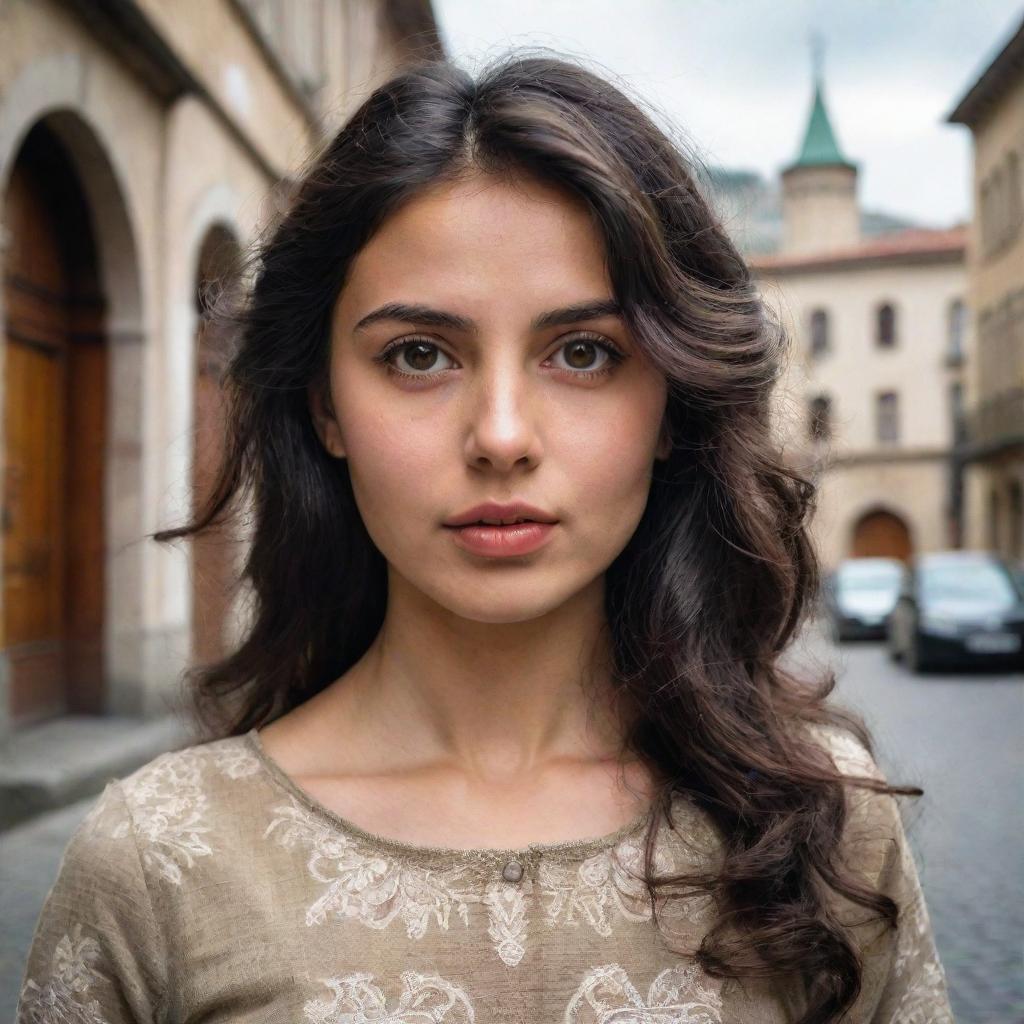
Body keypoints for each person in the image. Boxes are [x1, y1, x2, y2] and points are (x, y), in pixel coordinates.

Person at [15, 52, 954, 1024]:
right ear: (325, 407)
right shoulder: (162, 862)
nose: (501, 435)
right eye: (417, 355)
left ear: (671, 402)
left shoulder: (824, 829)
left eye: (582, 353)